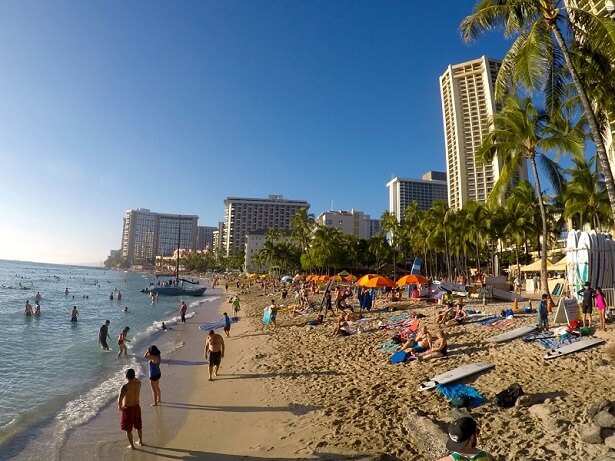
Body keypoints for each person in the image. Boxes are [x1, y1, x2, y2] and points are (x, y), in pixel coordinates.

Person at [117, 368, 143, 449]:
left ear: (126, 376)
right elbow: (136, 379)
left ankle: (132, 446)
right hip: (137, 407)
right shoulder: (138, 383)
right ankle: (140, 441)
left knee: (128, 429)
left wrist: (120, 407)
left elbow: (119, 400)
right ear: (134, 375)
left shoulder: (125, 387)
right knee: (138, 426)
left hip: (128, 409)